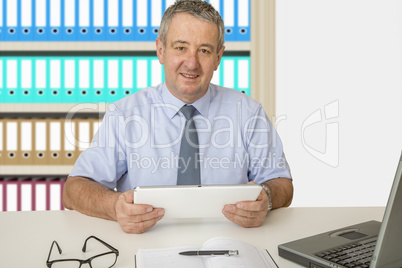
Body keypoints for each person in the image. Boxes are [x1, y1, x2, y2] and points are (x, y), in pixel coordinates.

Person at [63, 0, 293, 234]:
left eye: (204, 50)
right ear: (161, 50)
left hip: (228, 244)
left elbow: (282, 183)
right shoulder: (125, 115)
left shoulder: (248, 112)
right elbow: (73, 190)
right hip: (146, 244)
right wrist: (114, 206)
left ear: (218, 57)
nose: (191, 63)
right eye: (181, 48)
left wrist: (268, 197)